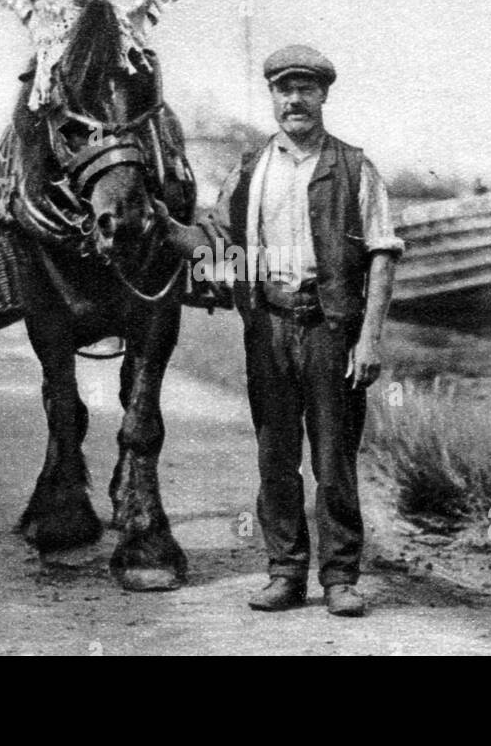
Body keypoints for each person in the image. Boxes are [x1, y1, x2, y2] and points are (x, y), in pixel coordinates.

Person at [158, 44, 403, 616]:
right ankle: (286, 573)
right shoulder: (251, 168)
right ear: (272, 96)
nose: (295, 99)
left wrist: (369, 338)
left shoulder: (354, 167)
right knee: (275, 459)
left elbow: (383, 254)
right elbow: (215, 241)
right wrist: (157, 224)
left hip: (330, 330)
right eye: (284, 89)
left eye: (306, 89)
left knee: (334, 462)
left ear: (324, 96)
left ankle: (340, 579)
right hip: (267, 327)